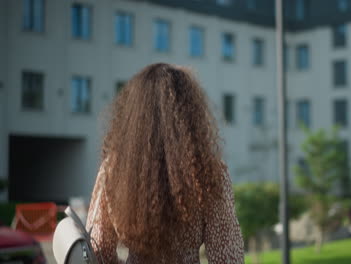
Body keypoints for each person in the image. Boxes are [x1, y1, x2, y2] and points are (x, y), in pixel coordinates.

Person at [86, 63, 244, 263]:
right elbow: (227, 257)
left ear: (133, 116)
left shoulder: (113, 171)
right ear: (189, 115)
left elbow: (98, 251)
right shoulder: (208, 173)